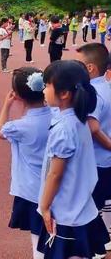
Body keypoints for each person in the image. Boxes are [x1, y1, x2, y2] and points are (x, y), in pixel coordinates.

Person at [37, 60, 110, 258]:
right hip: (82, 205)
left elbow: (55, 174)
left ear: (64, 94)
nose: (43, 90)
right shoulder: (79, 118)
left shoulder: (63, 129)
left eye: (47, 85)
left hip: (66, 212)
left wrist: (44, 206)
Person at [0, 67, 51, 259]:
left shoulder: (20, 126)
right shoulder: (55, 114)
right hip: (55, 186)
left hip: (31, 190)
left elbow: (0, 131)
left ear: (18, 95)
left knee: (38, 239)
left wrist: (7, 105)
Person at [76, 43, 111, 247]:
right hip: (103, 160)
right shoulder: (105, 87)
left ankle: (95, 247)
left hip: (97, 161)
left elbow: (93, 127)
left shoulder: (94, 94)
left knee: (90, 208)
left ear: (90, 68)